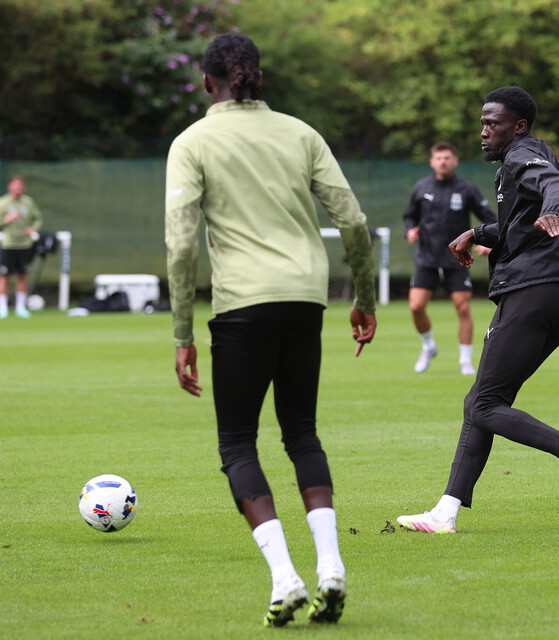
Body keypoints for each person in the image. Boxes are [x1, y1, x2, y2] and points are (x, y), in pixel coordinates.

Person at [165, 34, 376, 627]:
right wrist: (363, 297)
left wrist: (182, 333)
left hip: (241, 306)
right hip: (306, 299)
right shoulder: (300, 133)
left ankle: (286, 579)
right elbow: (353, 220)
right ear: (259, 78)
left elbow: (181, 248)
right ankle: (331, 567)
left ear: (208, 83)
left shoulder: (192, 143)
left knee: (237, 444)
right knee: (302, 435)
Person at [396, 86, 559, 534]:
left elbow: (557, 188)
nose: (483, 132)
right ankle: (446, 512)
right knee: (482, 402)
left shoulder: (523, 154)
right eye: (482, 122)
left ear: (518, 126)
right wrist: (476, 231)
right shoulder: (525, 160)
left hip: (534, 291)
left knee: (484, 402)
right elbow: (517, 227)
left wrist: (554, 210)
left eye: (492, 123)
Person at [404, 141, 496, 375]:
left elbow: (488, 217)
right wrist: (410, 231)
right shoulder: (421, 187)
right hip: (427, 257)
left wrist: (487, 242)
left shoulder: (466, 189)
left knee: (462, 308)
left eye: (447, 158)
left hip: (457, 258)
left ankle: (465, 360)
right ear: (431, 161)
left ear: (454, 161)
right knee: (416, 306)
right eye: (438, 158)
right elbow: (409, 217)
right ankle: (428, 346)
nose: (443, 162)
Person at [0, 175, 42, 319]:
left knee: (22, 275)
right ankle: (2, 309)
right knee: (4, 275)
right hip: (9, 244)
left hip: (25, 244)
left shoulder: (28, 202)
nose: (18, 189)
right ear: (10, 187)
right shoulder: (2, 203)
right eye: (15, 186)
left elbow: (38, 218)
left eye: (20, 186)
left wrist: (33, 229)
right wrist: (6, 220)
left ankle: (20, 308)